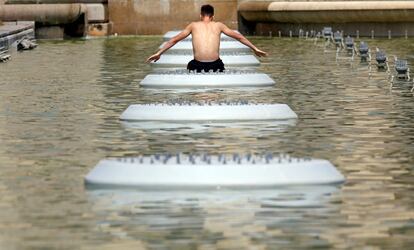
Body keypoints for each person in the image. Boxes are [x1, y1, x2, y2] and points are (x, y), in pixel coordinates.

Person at [146, 4, 267, 72]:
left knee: (189, 67)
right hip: (216, 65)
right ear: (213, 16)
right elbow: (239, 37)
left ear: (200, 15)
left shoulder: (193, 25)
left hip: (197, 65)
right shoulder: (219, 25)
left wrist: (159, 53)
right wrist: (254, 48)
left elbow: (174, 39)